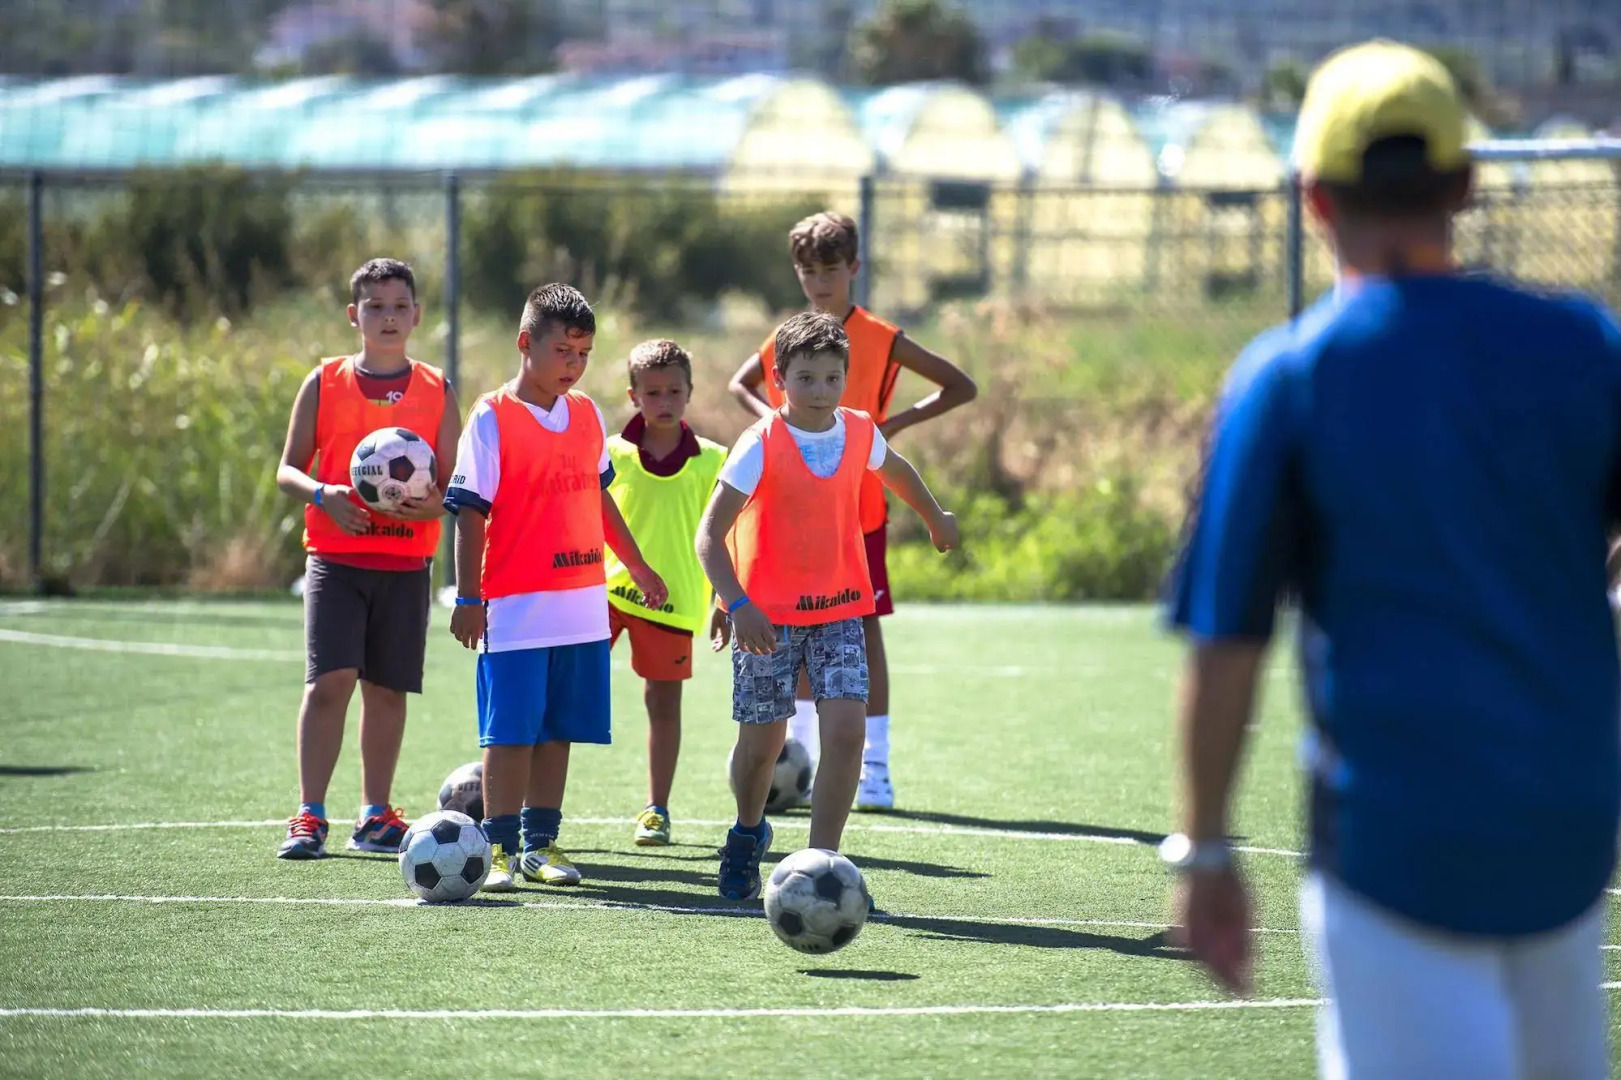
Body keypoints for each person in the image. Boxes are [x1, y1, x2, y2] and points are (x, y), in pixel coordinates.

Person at [1163, 40, 1621, 1079]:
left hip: (1392, 842)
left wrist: (1204, 851)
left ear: (1312, 200)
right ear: (1464, 185)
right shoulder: (1586, 349)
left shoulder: (1289, 380)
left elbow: (1225, 643)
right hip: (1569, 824)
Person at [698, 311, 958, 902]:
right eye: (806, 377)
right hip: (766, 620)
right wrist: (734, 603)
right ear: (779, 379)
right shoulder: (759, 442)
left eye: (832, 377)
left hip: (842, 609)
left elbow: (899, 471)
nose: (820, 390)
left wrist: (936, 516)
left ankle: (822, 863)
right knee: (762, 748)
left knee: (845, 733)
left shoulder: (860, 431)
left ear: (846, 379)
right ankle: (746, 833)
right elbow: (710, 535)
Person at [727, 211, 976, 810]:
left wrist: (898, 423)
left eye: (831, 269)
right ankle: (801, 755)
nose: (819, 282)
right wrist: (773, 426)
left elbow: (959, 385)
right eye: (808, 271)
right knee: (798, 626)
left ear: (853, 270)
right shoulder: (790, 339)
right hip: (791, 513)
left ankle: (878, 767)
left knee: (860, 629)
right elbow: (742, 383)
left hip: (857, 507)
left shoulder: (882, 337)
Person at [443, 284, 667, 891]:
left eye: (584, 354)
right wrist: (468, 597)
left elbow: (599, 499)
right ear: (525, 343)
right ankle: (494, 849)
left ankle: (540, 846)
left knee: (557, 729)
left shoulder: (589, 415)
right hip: (514, 605)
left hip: (582, 606)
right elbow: (469, 513)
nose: (573, 364)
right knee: (510, 731)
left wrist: (639, 567)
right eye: (563, 350)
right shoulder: (491, 416)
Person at [273, 257, 458, 860]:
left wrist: (431, 510)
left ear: (416, 315)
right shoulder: (324, 381)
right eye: (374, 307)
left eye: (398, 306)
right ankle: (309, 813)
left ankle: (375, 815)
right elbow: (287, 469)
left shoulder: (436, 388)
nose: (387, 317)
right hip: (336, 558)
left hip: (405, 565)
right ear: (354, 315)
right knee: (329, 683)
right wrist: (324, 494)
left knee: (386, 690)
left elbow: (454, 487)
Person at [604, 339, 728, 847]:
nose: (664, 400)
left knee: (663, 704)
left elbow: (728, 534)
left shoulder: (712, 460)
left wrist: (725, 599)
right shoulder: (611, 452)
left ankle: (656, 809)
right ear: (634, 395)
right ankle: (537, 809)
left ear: (690, 393)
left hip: (674, 601)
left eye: (674, 390)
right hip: (605, 594)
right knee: (564, 695)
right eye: (652, 391)